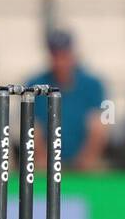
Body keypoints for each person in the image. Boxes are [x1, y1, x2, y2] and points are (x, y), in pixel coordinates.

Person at [24, 31, 108, 171]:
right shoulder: (35, 85)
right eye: (56, 56)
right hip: (44, 161)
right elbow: (31, 127)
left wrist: (87, 158)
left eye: (64, 55)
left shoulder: (93, 85)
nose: (60, 62)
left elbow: (99, 126)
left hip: (83, 159)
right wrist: (43, 158)